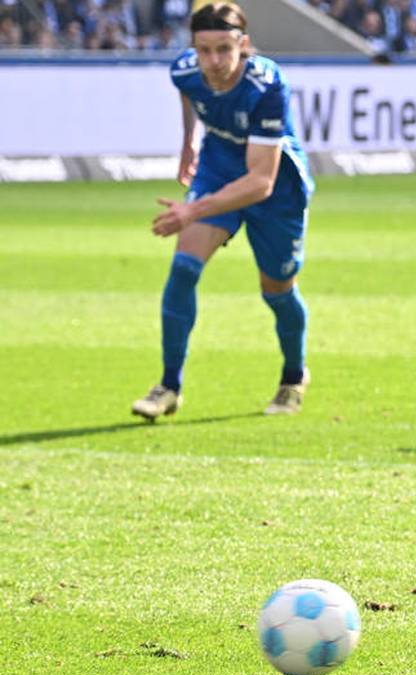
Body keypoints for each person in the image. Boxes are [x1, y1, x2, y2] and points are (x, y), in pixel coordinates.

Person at [131, 2, 315, 421]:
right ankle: (169, 386)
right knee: (183, 269)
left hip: (275, 186)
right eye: (204, 50)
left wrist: (191, 210)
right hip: (217, 168)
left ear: (243, 44)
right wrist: (187, 142)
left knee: (278, 290)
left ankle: (292, 376)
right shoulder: (184, 70)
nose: (213, 62)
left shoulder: (266, 85)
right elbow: (189, 91)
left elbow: (260, 181)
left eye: (223, 50)